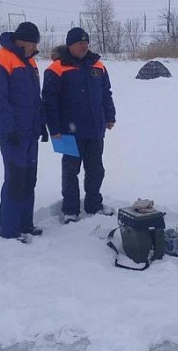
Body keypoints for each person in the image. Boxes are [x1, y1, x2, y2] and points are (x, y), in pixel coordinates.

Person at [42, 27, 117, 224]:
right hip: (67, 132)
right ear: (70, 45)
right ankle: (70, 210)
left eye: (86, 42)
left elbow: (106, 93)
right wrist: (54, 129)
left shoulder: (98, 66)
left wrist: (110, 116)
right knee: (70, 172)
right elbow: (50, 102)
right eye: (79, 43)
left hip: (95, 128)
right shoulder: (56, 69)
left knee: (95, 169)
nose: (84, 46)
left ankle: (94, 204)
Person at [0, 22, 48, 242]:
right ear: (23, 41)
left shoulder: (30, 62)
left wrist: (41, 125)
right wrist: (8, 129)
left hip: (30, 132)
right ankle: (9, 230)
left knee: (29, 178)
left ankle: (25, 224)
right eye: (34, 43)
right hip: (13, 134)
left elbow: (34, 99)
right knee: (15, 179)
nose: (35, 48)